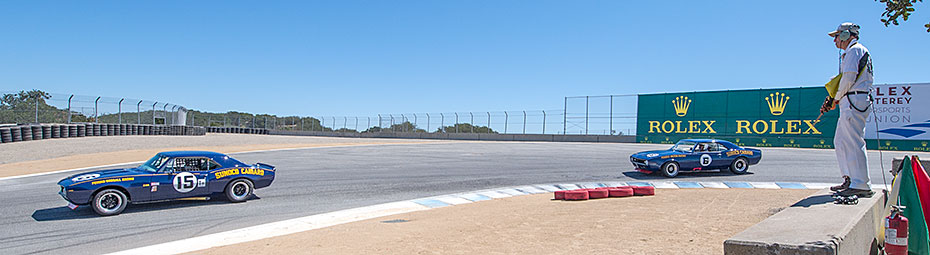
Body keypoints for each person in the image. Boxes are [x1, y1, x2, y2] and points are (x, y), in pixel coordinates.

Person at [821, 22, 874, 197]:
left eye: (837, 36)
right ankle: (850, 178)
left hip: (853, 99)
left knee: (853, 141)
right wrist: (835, 99)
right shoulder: (852, 52)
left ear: (846, 35)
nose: (835, 40)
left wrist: (835, 98)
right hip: (850, 99)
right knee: (841, 141)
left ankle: (861, 183)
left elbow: (849, 78)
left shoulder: (854, 51)